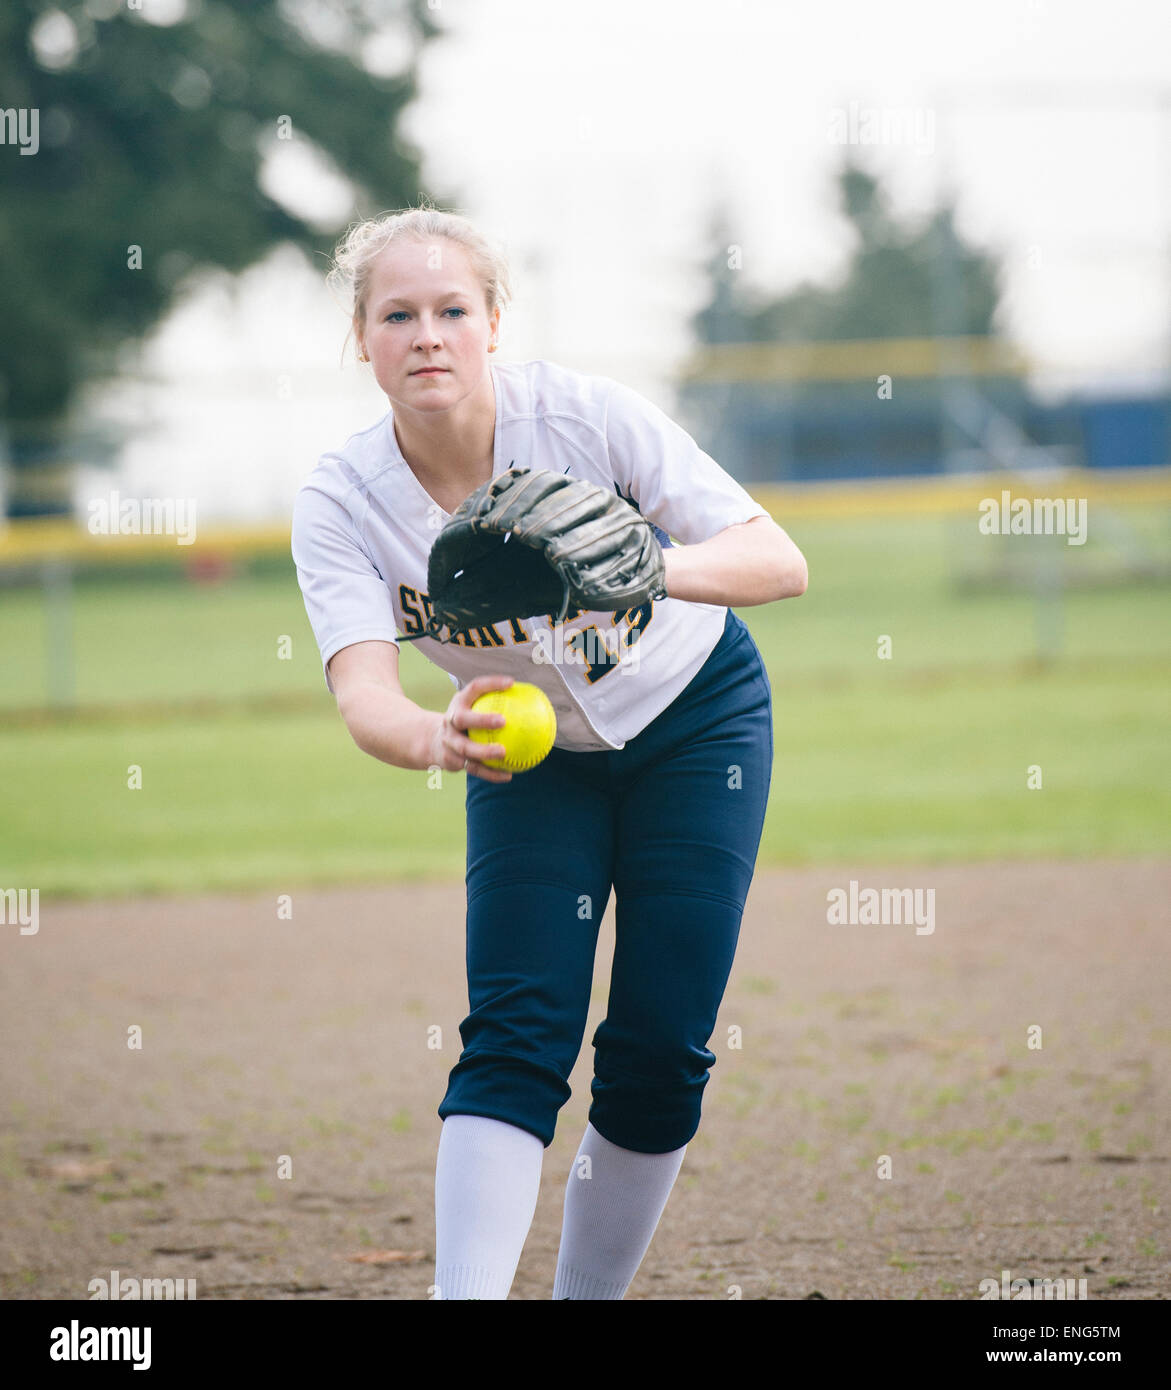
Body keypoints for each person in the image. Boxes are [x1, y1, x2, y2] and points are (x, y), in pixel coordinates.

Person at [291, 202, 808, 1300]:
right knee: (516, 1033)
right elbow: (363, 694)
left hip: (694, 720)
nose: (426, 335)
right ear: (361, 338)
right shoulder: (343, 499)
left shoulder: (584, 417)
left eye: (451, 309)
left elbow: (777, 561)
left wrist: (649, 566)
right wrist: (438, 737)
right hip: (519, 756)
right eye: (397, 314)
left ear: (492, 323)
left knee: (661, 1045)